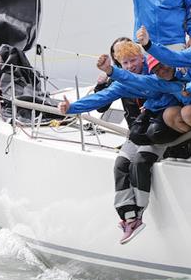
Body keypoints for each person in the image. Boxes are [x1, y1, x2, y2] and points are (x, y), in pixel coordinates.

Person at [57, 42, 184, 244]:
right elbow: (101, 98)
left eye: (133, 60)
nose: (131, 65)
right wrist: (71, 107)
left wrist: (112, 71)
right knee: (120, 165)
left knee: (140, 162)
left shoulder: (155, 73)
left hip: (161, 126)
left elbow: (147, 83)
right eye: (125, 63)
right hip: (142, 126)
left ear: (142, 58)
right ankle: (128, 216)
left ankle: (139, 213)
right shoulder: (122, 83)